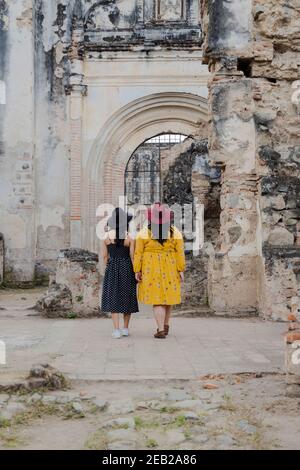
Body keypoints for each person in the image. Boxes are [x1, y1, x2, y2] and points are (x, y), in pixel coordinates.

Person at [133, 203, 185, 339]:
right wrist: (181, 269)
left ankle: (161, 329)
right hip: (171, 266)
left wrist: (137, 270)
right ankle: (166, 325)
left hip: (151, 268)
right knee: (168, 298)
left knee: (157, 300)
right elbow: (180, 253)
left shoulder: (143, 233)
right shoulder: (175, 232)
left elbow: (138, 254)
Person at [101, 207, 139, 339]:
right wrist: (136, 272)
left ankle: (116, 330)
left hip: (112, 268)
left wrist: (109, 267)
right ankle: (125, 329)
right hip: (127, 268)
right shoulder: (129, 238)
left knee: (113, 297)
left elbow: (105, 257)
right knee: (127, 297)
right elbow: (132, 257)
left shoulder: (106, 237)